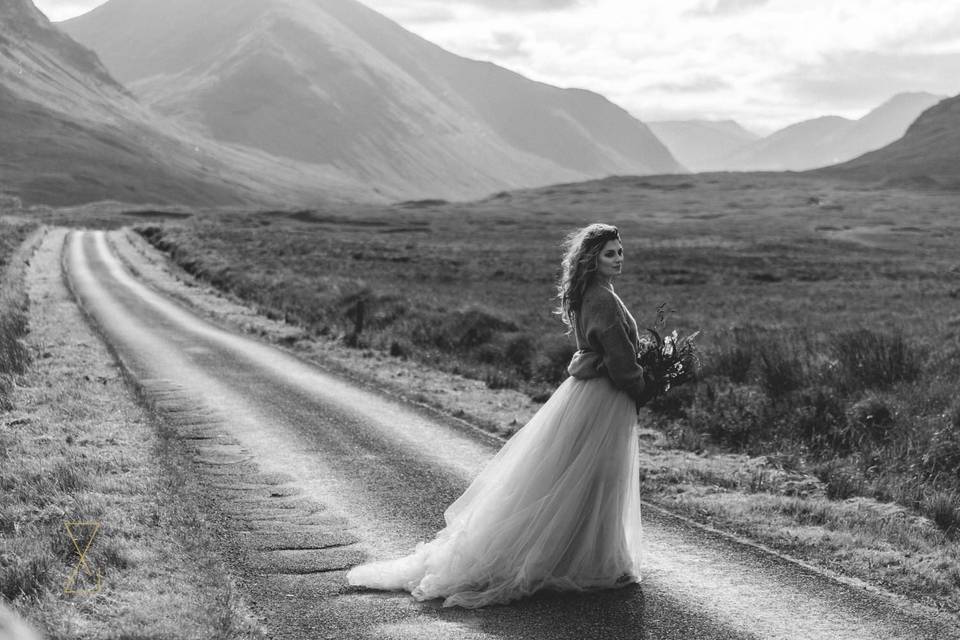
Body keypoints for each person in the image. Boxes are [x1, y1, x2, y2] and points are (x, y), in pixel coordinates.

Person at [346, 223, 649, 608]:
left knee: (579, 478)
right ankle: (588, 561)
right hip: (604, 397)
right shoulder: (603, 299)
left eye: (621, 252)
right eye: (610, 253)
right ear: (593, 258)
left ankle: (581, 557)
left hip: (590, 394)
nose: (619, 259)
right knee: (598, 478)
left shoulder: (592, 292)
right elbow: (620, 362)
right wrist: (644, 385)